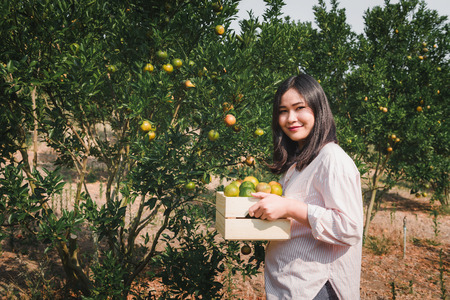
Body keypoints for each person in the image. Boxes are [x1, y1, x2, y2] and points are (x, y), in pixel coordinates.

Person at [248, 74, 364, 300]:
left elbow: (349, 228)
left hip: (317, 288)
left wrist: (290, 208)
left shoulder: (332, 159)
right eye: (283, 111)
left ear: (318, 109)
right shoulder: (300, 162)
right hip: (293, 286)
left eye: (299, 108)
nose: (290, 118)